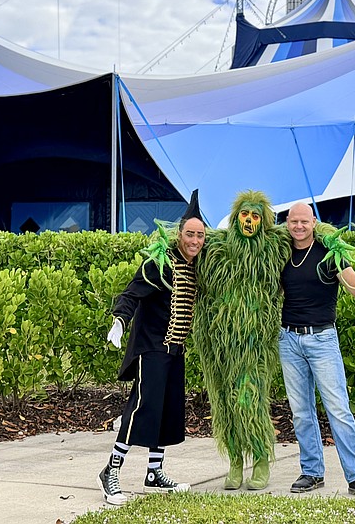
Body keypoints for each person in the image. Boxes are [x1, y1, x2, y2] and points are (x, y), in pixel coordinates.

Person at [98, 192, 206, 506]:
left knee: (166, 411)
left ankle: (154, 473)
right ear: (179, 234)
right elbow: (132, 293)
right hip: (152, 347)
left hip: (176, 349)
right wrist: (119, 320)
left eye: (200, 235)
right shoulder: (160, 262)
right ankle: (110, 472)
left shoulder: (199, 264)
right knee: (142, 408)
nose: (195, 240)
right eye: (190, 234)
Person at [279, 202, 355, 498]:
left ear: (313, 222)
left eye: (304, 221)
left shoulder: (330, 254)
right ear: (287, 223)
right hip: (288, 340)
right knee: (301, 412)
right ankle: (312, 472)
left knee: (338, 409)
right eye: (293, 222)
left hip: (322, 339)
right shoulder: (280, 253)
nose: (298, 226)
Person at [193, 190, 289, 491]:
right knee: (223, 403)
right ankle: (235, 461)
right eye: (245, 215)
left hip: (254, 346)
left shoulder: (275, 246)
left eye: (256, 216)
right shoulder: (217, 246)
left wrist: (333, 241)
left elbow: (310, 232)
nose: (249, 221)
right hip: (219, 344)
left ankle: (260, 458)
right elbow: (184, 244)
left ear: (264, 221)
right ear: (236, 218)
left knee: (249, 400)